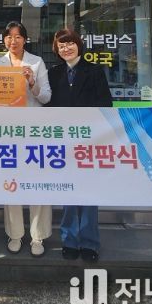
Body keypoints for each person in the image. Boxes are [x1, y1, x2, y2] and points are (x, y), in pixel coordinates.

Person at [47, 28, 112, 263]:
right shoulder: (53, 73)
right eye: (61, 45)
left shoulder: (94, 71)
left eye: (70, 43)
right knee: (68, 191)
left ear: (78, 45)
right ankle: (69, 240)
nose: (66, 48)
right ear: (57, 50)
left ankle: (90, 242)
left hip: (89, 141)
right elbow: (47, 106)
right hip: (63, 142)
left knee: (89, 192)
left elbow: (106, 104)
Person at [0, 21, 52, 256]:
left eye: (18, 36)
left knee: (38, 182)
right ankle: (15, 233)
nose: (13, 41)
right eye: (9, 36)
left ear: (25, 39)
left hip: (34, 132)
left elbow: (46, 97)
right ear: (4, 40)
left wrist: (32, 82)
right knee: (11, 183)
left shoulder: (36, 62)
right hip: (8, 132)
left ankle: (38, 236)